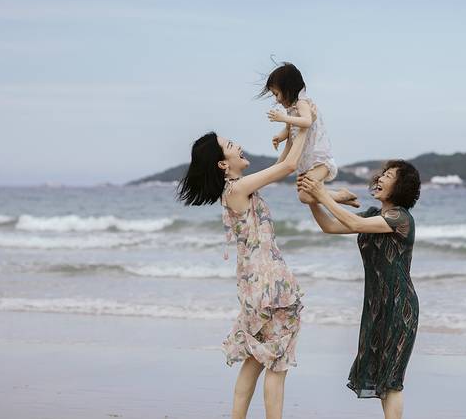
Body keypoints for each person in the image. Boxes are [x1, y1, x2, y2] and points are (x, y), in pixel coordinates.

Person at [177, 128, 309, 419]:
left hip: (254, 287)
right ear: (223, 164)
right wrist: (304, 126)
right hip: (271, 287)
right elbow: (288, 166)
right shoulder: (237, 189)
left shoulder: (236, 189)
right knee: (276, 365)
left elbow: (280, 166)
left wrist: (290, 134)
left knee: (254, 361)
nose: (239, 146)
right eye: (231, 145)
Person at [298, 160, 421, 419]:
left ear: (400, 187)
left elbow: (354, 224)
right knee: (381, 377)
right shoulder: (372, 215)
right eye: (382, 174)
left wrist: (322, 195)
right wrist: (314, 200)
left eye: (388, 175)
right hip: (376, 307)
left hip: (400, 307)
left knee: (392, 381)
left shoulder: (400, 218)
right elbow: (329, 226)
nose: (380, 178)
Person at [260, 61, 359, 207]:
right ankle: (341, 198)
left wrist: (283, 118)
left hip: (319, 161)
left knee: (306, 194)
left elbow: (307, 121)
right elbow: (290, 129)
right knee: (305, 196)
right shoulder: (291, 109)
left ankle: (340, 195)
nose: (277, 99)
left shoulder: (302, 103)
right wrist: (280, 137)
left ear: (288, 89)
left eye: (276, 94)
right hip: (307, 163)